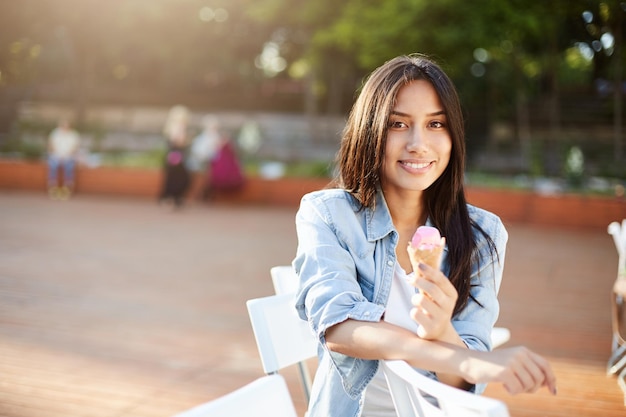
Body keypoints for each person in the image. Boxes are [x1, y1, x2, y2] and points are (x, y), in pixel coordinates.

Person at [292, 54, 557, 417]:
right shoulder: (328, 214)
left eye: (436, 124)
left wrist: (444, 331)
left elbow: (463, 384)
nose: (419, 143)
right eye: (398, 124)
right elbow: (339, 328)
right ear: (370, 130)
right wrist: (462, 358)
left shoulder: (483, 235)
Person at [158, 105, 192, 208]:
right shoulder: (178, 127)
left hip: (175, 155)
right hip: (176, 155)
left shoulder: (173, 127)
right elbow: (177, 141)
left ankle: (174, 198)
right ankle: (170, 197)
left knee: (175, 177)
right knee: (178, 177)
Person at [47, 117, 81, 200]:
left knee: (69, 168)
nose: (65, 127)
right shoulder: (55, 133)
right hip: (56, 155)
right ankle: (53, 188)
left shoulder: (74, 135)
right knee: (53, 166)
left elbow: (75, 148)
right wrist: (57, 155)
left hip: (68, 156)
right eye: (63, 126)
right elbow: (51, 145)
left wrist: (65, 156)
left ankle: (67, 188)